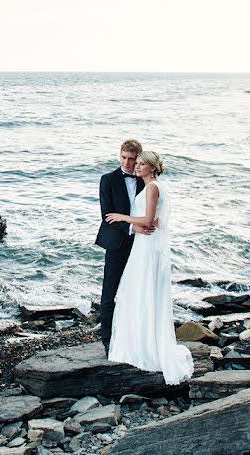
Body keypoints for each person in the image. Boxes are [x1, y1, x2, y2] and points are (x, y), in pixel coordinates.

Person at [104, 151, 194, 385]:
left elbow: (148, 220)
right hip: (146, 243)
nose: (136, 166)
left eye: (142, 164)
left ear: (152, 168)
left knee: (143, 291)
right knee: (142, 292)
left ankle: (146, 347)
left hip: (148, 245)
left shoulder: (152, 187)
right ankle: (143, 341)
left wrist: (122, 218)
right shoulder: (153, 186)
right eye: (137, 163)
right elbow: (152, 221)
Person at [95, 139, 150, 356]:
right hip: (117, 243)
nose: (127, 163)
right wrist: (132, 228)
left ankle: (136, 338)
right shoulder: (107, 180)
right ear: (120, 156)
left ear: (139, 158)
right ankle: (108, 342)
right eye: (124, 158)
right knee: (109, 294)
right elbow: (106, 214)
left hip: (143, 243)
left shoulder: (146, 181)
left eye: (132, 159)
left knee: (138, 291)